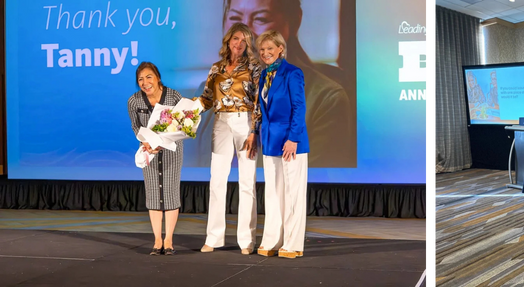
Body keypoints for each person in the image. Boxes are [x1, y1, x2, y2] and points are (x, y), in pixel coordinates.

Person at [186, 0, 354, 168]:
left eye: (261, 19)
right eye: (235, 19)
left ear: (294, 22)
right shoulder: (209, 90)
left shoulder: (326, 101)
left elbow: (312, 186)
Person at [196, 23, 262, 255]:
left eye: (244, 40)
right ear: (228, 40)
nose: (239, 44)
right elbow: (205, 99)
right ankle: (213, 238)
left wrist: (254, 131)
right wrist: (186, 112)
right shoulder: (216, 68)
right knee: (217, 181)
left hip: (245, 122)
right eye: (236, 38)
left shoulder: (254, 67)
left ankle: (247, 240)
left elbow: (258, 102)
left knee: (247, 181)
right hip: (221, 122)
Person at [255, 30, 309, 259]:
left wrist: (293, 139)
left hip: (291, 141)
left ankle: (293, 243)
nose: (265, 53)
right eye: (262, 49)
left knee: (293, 193)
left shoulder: (293, 73)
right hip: (269, 140)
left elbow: (299, 108)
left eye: (270, 48)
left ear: (280, 49)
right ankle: (272, 241)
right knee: (273, 193)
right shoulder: (263, 75)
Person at [127, 62, 184, 255]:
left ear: (157, 77)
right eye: (140, 79)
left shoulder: (174, 96)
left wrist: (164, 140)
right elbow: (136, 127)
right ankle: (157, 240)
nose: (145, 82)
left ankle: (168, 240)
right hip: (148, 151)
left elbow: (182, 124)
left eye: (148, 77)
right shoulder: (134, 101)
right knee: (153, 192)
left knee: (170, 192)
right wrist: (147, 143)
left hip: (171, 151)